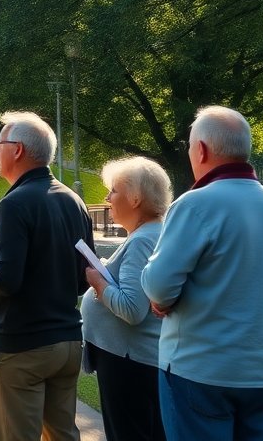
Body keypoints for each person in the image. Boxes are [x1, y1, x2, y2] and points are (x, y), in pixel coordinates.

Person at [141, 105, 263, 441]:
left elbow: (158, 286)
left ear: (201, 149)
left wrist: (162, 300)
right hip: (261, 373)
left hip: (200, 369)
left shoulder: (194, 204)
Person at [0, 110, 93, 441]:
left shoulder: (15, 203)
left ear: (18, 150)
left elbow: (6, 281)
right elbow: (84, 276)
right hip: (67, 341)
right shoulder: (73, 200)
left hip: (22, 348)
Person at [81, 157, 172, 441]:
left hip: (130, 364)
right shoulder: (150, 234)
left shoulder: (143, 239)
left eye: (114, 191)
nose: (107, 199)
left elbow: (132, 309)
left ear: (135, 198)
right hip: (133, 361)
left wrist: (98, 282)